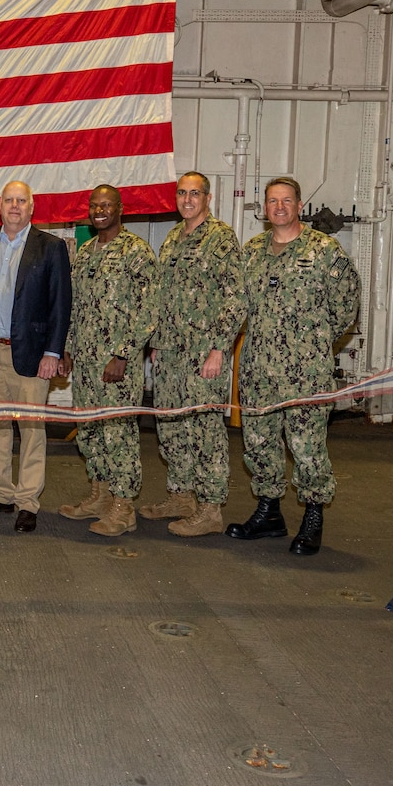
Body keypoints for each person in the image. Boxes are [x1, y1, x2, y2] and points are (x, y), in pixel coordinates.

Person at [227, 177, 360, 556]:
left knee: (307, 447)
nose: (280, 207)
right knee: (259, 443)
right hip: (257, 369)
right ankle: (269, 512)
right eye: (273, 201)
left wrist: (314, 342)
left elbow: (346, 305)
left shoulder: (324, 249)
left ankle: (313, 515)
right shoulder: (251, 252)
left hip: (306, 373)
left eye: (287, 200)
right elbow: (238, 306)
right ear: (264, 208)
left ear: (300, 205)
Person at [144, 171, 244, 537]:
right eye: (182, 193)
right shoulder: (172, 237)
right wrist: (156, 341)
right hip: (170, 353)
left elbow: (235, 297)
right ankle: (181, 496)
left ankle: (210, 508)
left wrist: (220, 348)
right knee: (171, 426)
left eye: (194, 193)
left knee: (206, 431)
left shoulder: (221, 238)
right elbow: (163, 295)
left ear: (208, 197)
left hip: (204, 354)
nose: (187, 199)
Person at [0, 181, 72, 533]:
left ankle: (27, 501)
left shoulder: (50, 248)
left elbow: (61, 304)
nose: (14, 206)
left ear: (32, 207)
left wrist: (53, 352)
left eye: (21, 201)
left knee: (31, 429)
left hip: (32, 353)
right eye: (8, 200)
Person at [58, 185, 158, 537]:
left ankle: (123, 506)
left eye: (106, 205)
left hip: (116, 364)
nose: (99, 211)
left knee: (119, 435)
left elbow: (149, 309)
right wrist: (67, 348)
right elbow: (76, 305)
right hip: (85, 361)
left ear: (120, 209)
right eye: (94, 205)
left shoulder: (136, 251)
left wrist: (123, 353)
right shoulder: (85, 251)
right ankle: (99, 496)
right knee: (90, 430)